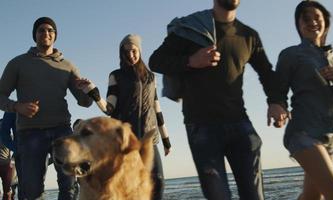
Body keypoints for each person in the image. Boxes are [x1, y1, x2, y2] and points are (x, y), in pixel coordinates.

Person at [149, 0, 281, 199]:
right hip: (202, 127)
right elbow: (155, 61)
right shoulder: (191, 28)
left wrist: (276, 102)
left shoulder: (248, 35)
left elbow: (266, 72)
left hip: (240, 124)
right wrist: (191, 61)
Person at [269, 1, 333, 200]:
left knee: (311, 196)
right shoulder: (291, 54)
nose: (312, 22)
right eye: (305, 18)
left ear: (325, 21)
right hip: (303, 132)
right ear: (298, 25)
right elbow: (278, 90)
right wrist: (277, 107)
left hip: (329, 136)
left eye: (316, 17)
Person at [0, 17, 93, 199]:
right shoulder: (18, 63)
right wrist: (17, 107)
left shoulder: (67, 66)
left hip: (62, 131)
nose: (46, 33)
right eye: (41, 30)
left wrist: (88, 90)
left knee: (70, 188)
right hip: (30, 133)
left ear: (55, 35)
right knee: (32, 191)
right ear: (35, 35)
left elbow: (84, 102)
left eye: (50, 30)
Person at [80, 34, 171, 200]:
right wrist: (93, 91)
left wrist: (166, 141)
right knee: (126, 185)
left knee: (157, 181)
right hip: (126, 140)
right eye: (126, 52)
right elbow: (109, 109)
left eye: (134, 50)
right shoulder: (116, 76)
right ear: (122, 54)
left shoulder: (151, 77)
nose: (131, 55)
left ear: (139, 50)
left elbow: (157, 110)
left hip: (149, 140)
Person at [0, 119, 14, 200]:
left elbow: (15, 148)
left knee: (7, 190)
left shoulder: (9, 136)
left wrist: (12, 161)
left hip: (6, 165)